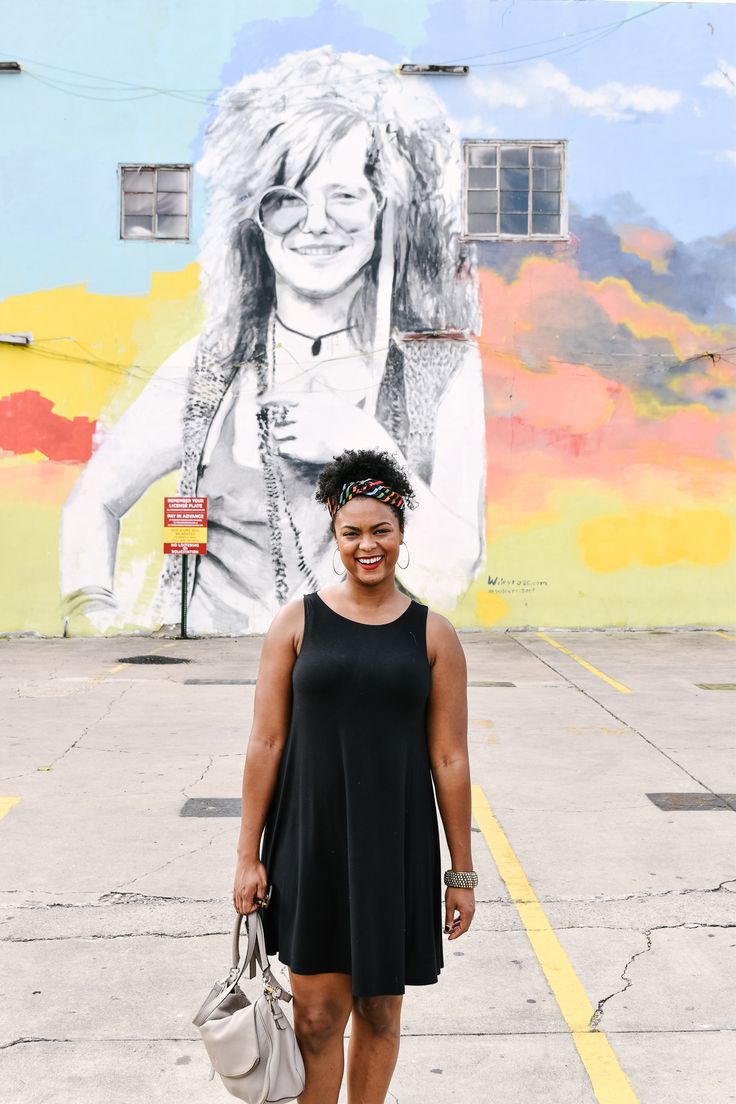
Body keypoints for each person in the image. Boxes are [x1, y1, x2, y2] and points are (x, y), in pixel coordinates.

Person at [59, 46, 485, 636]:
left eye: (343, 195)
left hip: (359, 668)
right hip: (217, 672)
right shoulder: (214, 365)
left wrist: (363, 442)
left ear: (379, 208)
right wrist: (91, 616)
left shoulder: (441, 366)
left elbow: (452, 577)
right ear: (256, 222)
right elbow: (94, 501)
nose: (315, 222)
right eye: (287, 199)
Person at [233, 448, 477, 1104]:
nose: (367, 546)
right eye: (352, 532)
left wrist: (461, 873)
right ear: (335, 536)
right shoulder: (296, 622)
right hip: (310, 845)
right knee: (315, 1018)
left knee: (379, 1013)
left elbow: (450, 760)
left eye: (381, 531)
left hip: (393, 849)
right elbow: (266, 741)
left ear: (400, 533)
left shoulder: (433, 636)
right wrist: (247, 856)